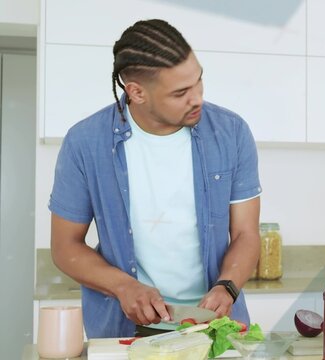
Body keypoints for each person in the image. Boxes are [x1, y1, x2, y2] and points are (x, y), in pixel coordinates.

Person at [49, 19, 262, 338]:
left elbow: (246, 233)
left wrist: (227, 287)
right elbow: (65, 246)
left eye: (199, 81)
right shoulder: (85, 142)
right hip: (125, 329)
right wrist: (122, 286)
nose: (197, 98)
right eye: (180, 92)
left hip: (215, 328)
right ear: (136, 92)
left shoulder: (231, 133)